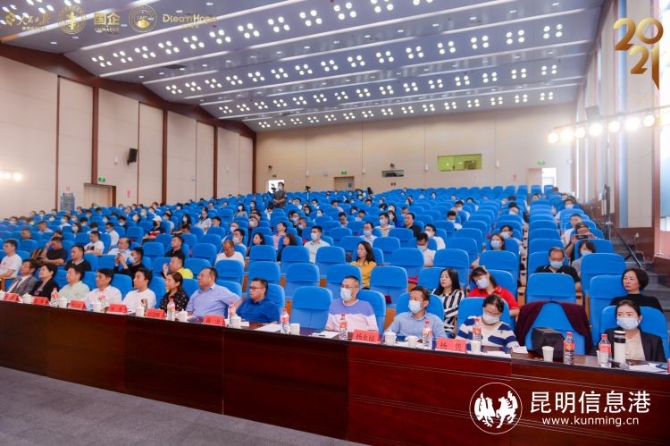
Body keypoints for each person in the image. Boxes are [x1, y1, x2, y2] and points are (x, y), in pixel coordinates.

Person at [432, 268, 465, 337]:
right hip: (431, 325)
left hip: (446, 328)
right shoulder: (435, 291)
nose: (443, 279)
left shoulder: (458, 293)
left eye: (447, 277)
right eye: (441, 277)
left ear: (453, 279)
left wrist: (441, 313)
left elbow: (458, 309)